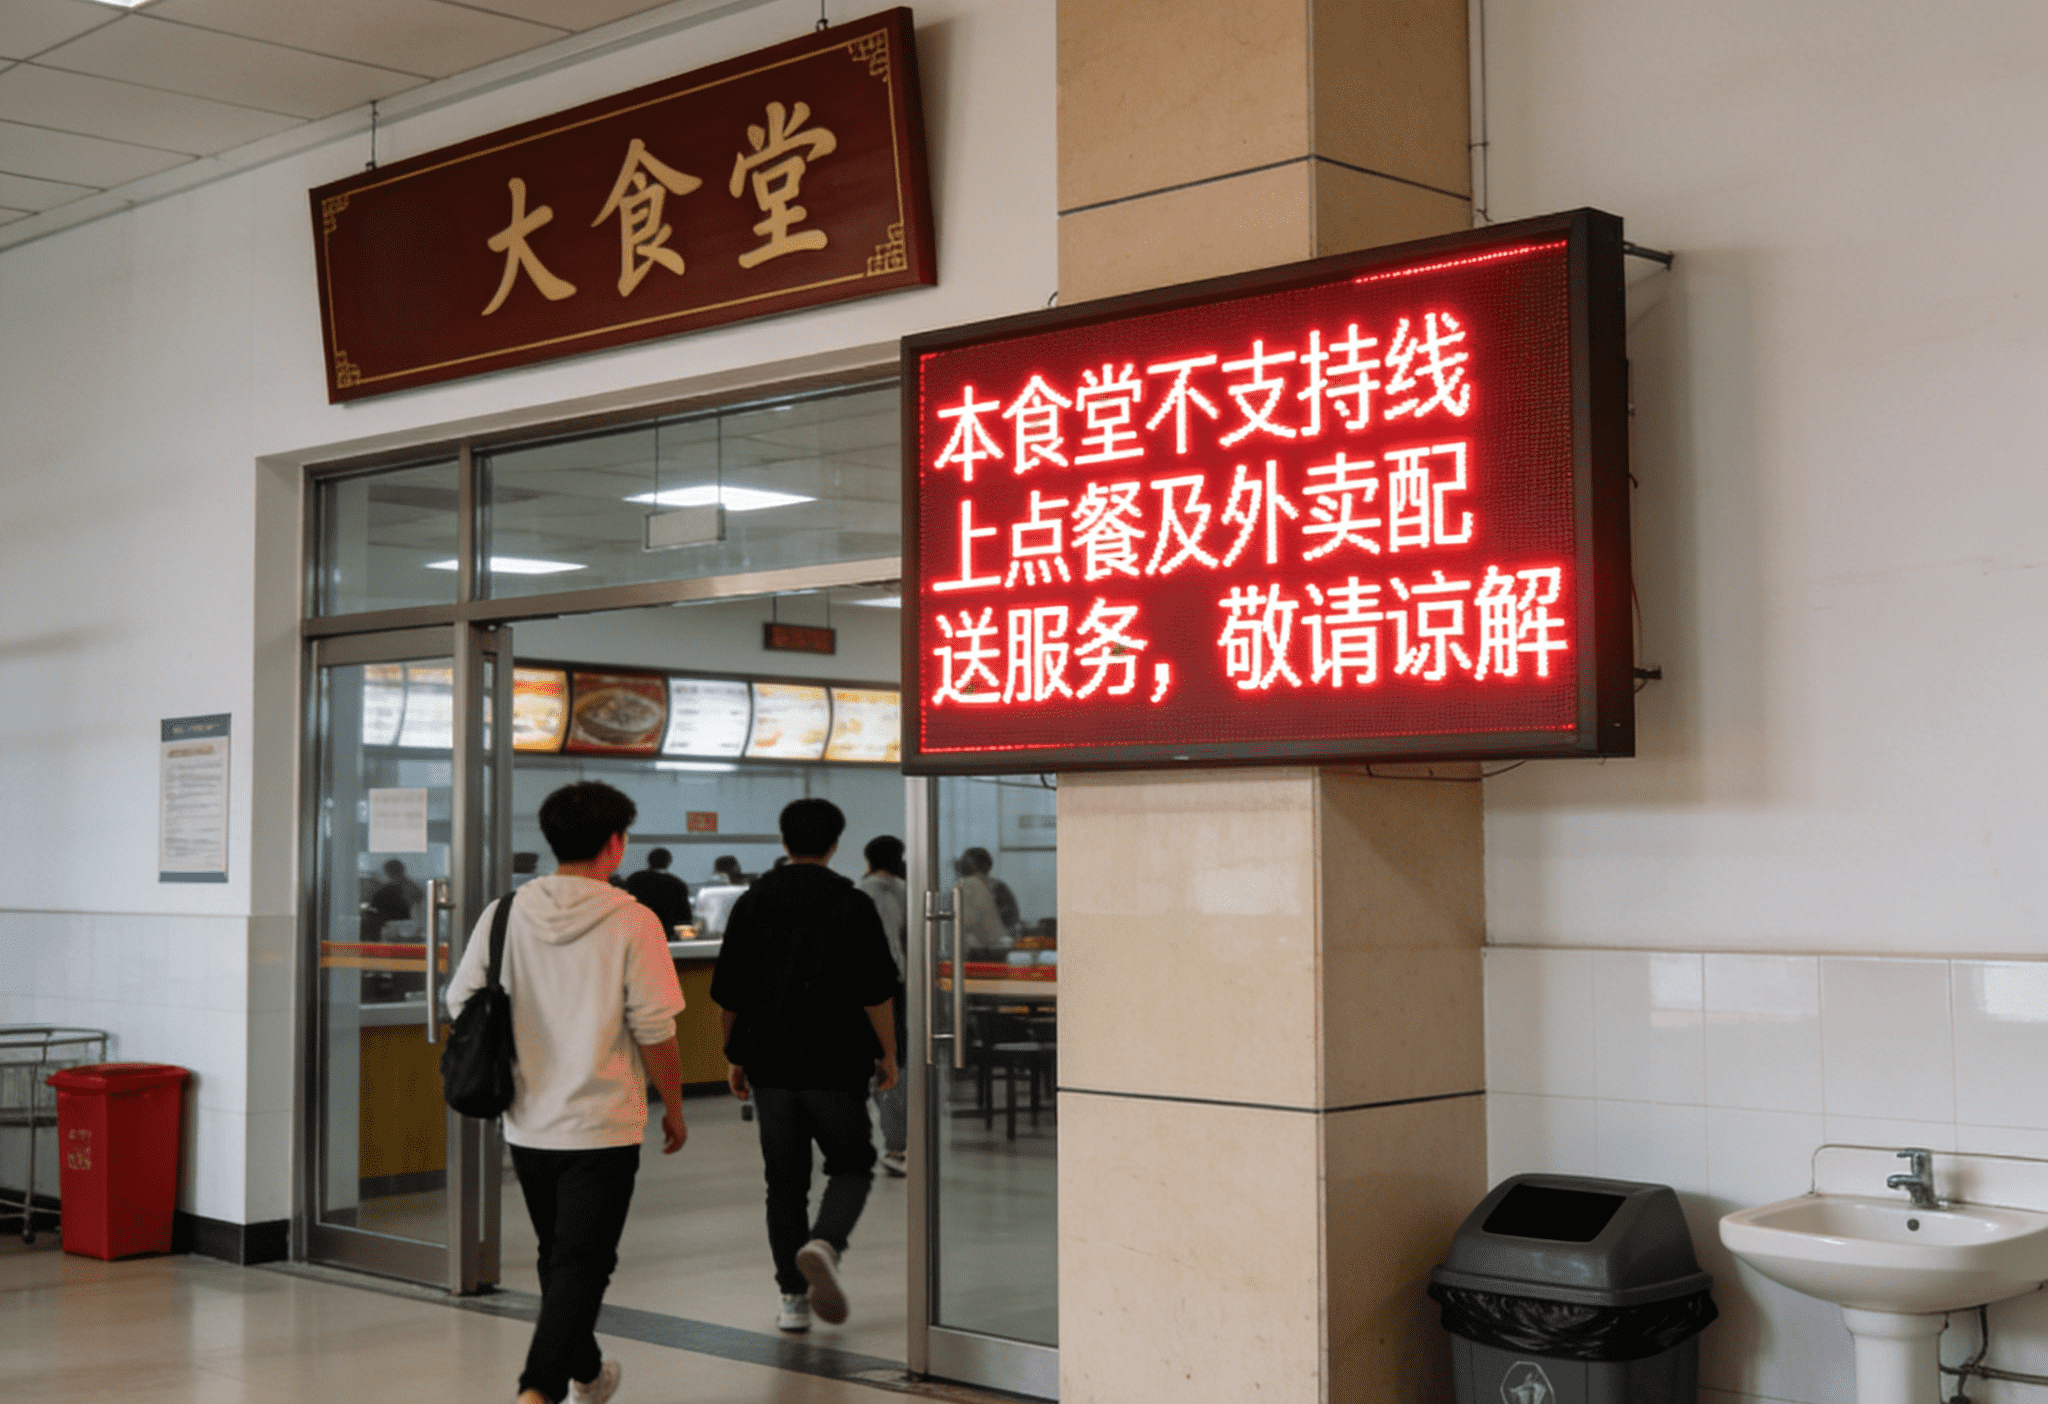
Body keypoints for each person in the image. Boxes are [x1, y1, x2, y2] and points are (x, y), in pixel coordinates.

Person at [446, 781, 687, 1404]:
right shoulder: (633, 920)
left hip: (527, 1120)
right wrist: (674, 1105)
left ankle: (589, 1373)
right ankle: (538, 1390)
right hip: (604, 1124)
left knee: (560, 1256)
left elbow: (460, 1001)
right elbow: (655, 1027)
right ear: (615, 843)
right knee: (581, 1261)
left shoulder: (503, 914)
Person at [711, 798, 898, 1334]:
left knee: (784, 1184)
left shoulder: (751, 903)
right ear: (835, 844)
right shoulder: (853, 904)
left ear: (783, 840)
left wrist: (734, 1055)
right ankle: (825, 1243)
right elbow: (875, 992)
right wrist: (888, 1054)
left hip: (770, 1063)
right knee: (852, 1164)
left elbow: (730, 995)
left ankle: (792, 1300)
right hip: (836, 1061)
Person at [856, 836, 909, 1177]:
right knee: (893, 1062)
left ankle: (893, 1144)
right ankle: (897, 1144)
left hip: (869, 987)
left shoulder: (865, 892)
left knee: (878, 1064)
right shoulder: (905, 890)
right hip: (899, 986)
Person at [624, 847, 693, 933]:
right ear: (668, 862)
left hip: (637, 930)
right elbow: (684, 915)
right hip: (665, 932)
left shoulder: (634, 879)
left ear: (649, 861)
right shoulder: (677, 884)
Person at [962, 847, 1021, 942]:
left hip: (988, 943)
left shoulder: (965, 886)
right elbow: (1011, 919)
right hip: (994, 942)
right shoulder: (997, 886)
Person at [954, 853, 1007, 952]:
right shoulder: (972, 884)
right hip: (977, 950)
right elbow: (987, 925)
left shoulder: (964, 884)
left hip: (967, 949)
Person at [368, 858, 424, 928]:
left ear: (387, 872)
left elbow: (373, 908)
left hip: (389, 926)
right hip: (407, 926)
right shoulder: (413, 888)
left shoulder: (383, 891)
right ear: (402, 870)